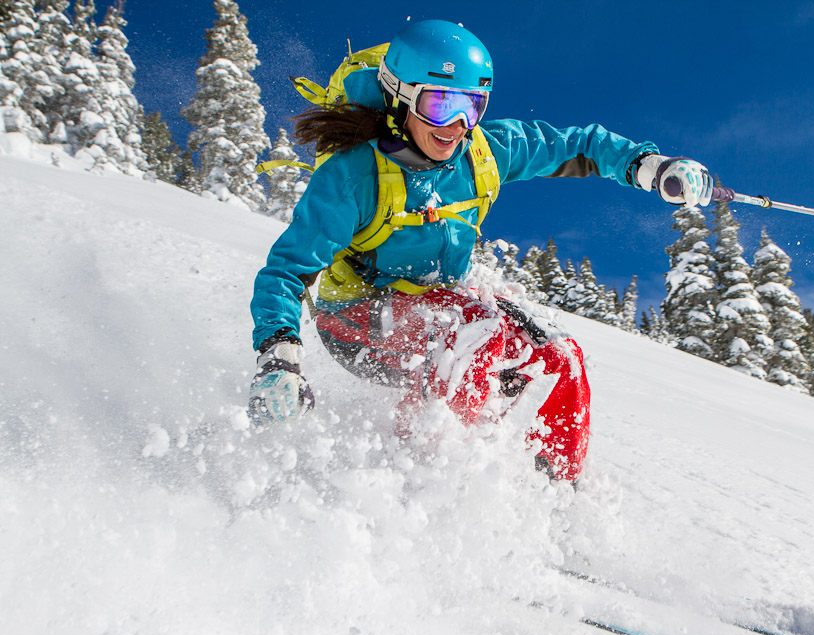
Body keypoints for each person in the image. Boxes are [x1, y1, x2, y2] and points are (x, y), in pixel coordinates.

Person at [248, 19, 714, 483]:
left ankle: (554, 496)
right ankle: (428, 480)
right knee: (476, 327)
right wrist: (279, 357)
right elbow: (287, 271)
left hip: (437, 309)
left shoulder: (483, 153)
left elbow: (578, 144)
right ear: (400, 97)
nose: (455, 126)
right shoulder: (354, 176)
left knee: (557, 356)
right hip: (353, 319)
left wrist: (648, 166)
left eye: (471, 107)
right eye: (438, 103)